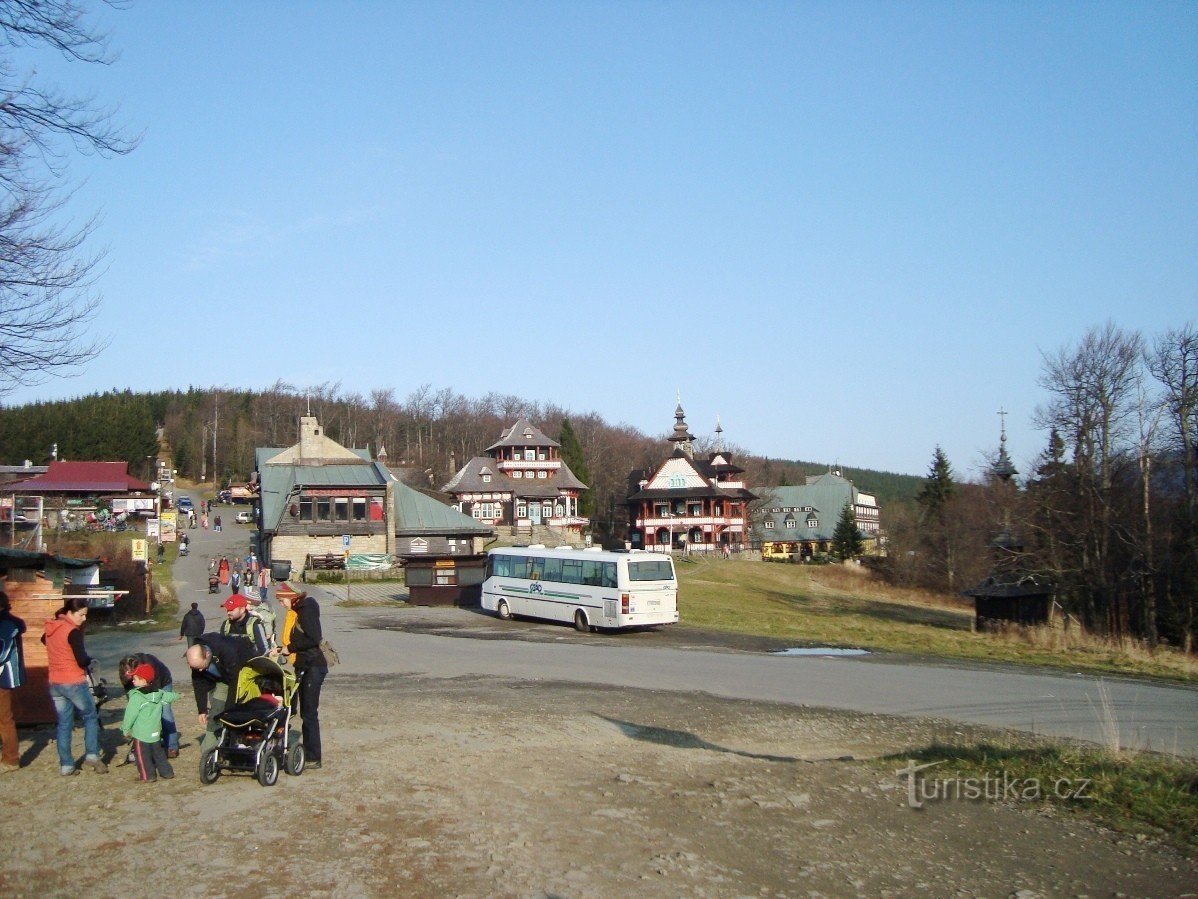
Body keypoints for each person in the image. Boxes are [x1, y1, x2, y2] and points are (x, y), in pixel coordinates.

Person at [42, 596, 107, 775]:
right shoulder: (72, 631)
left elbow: (44, 641)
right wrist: (90, 660)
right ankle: (92, 755)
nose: (84, 619)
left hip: (55, 682)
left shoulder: (52, 627)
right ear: (70, 613)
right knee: (90, 716)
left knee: (64, 723)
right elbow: (81, 659)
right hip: (73, 681)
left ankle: (66, 765)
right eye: (81, 615)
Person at [279, 589, 327, 769]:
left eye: (282, 600)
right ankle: (309, 753)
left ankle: (313, 757)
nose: (281, 604)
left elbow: (313, 639)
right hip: (304, 664)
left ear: (292, 598)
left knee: (309, 713)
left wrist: (289, 648)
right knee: (303, 712)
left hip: (312, 665)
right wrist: (281, 648)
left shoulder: (306, 610)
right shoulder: (300, 610)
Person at [185, 633, 256, 754]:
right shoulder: (197, 659)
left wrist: (229, 709)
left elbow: (235, 681)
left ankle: (239, 743)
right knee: (216, 713)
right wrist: (202, 709)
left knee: (236, 713)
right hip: (223, 680)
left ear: (207, 654)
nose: (200, 671)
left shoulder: (227, 650)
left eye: (201, 667)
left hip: (243, 677)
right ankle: (209, 751)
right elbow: (198, 684)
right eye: (196, 668)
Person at [120, 663, 179, 782]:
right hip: (155, 732)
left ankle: (148, 776)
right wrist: (178, 695)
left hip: (141, 734)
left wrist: (125, 729)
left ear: (143, 680)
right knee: (159, 754)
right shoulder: (158, 693)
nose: (133, 681)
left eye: (135, 678)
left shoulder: (137, 697)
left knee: (142, 756)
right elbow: (168, 696)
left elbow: (130, 715)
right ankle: (167, 772)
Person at [117, 654, 180, 757]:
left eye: (131, 673)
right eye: (127, 674)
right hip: (141, 684)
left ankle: (172, 747)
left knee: (165, 714)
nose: (129, 676)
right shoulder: (126, 675)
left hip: (162, 683)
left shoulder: (149, 665)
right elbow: (131, 695)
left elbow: (155, 693)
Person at [0, 590, 27, 771]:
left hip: (3, 677)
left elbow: (2, 652)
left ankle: (11, 759)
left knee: (4, 719)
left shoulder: (7, 624)